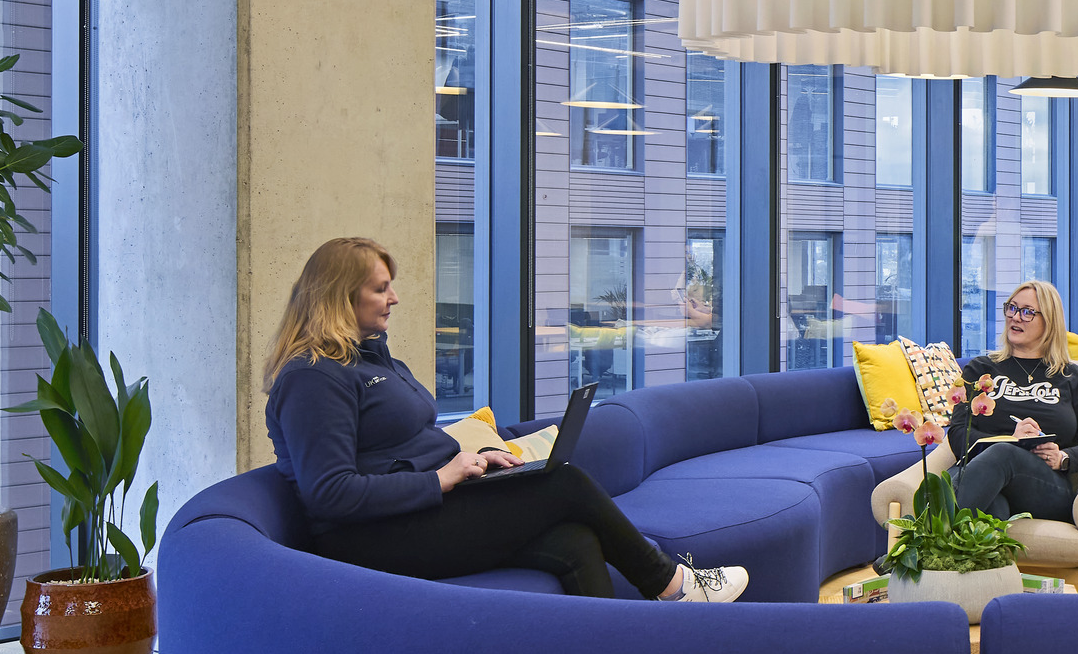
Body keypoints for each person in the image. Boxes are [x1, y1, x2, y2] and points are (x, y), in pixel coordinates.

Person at [267, 237, 748, 601]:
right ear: (339, 296)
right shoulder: (312, 378)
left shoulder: (373, 360)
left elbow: (403, 443)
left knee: (574, 540)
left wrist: (471, 456)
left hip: (417, 510)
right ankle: (674, 585)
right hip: (370, 538)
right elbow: (329, 493)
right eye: (380, 288)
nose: (394, 298)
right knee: (565, 485)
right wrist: (440, 479)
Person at [947, 279, 1078, 523]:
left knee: (1003, 454)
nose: (1016, 317)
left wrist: (1063, 458)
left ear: (1048, 322)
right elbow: (957, 434)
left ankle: (916, 546)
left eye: (1028, 312)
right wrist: (1011, 440)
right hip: (982, 476)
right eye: (1012, 308)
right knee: (994, 507)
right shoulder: (980, 370)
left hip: (1043, 486)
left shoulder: (1069, 376)